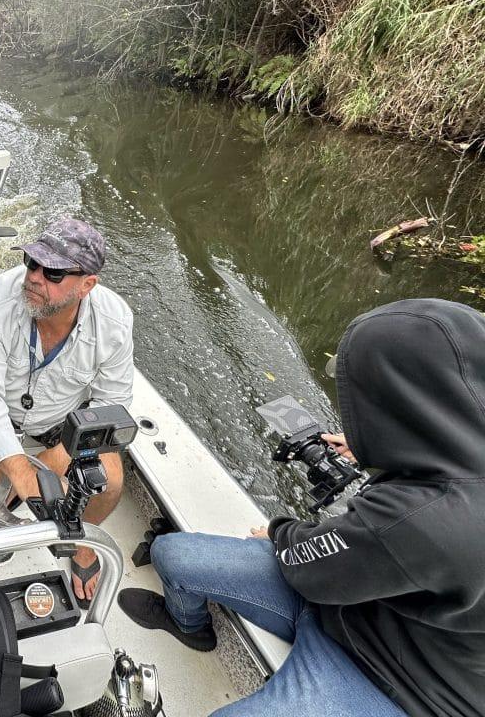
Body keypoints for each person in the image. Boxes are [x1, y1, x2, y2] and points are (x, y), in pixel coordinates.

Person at [119, 298, 485, 717]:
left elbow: (310, 563)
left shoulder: (424, 520)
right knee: (173, 554)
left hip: (399, 679)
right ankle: (192, 630)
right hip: (353, 600)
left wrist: (279, 533)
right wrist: (376, 446)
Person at [0, 218, 134, 605]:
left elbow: (112, 407)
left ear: (87, 284)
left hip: (62, 416)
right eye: (32, 263)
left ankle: (83, 542)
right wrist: (23, 470)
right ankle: (11, 481)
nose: (35, 277)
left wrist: (56, 456)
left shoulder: (116, 321)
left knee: (110, 479)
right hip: (1, 405)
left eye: (53, 272)